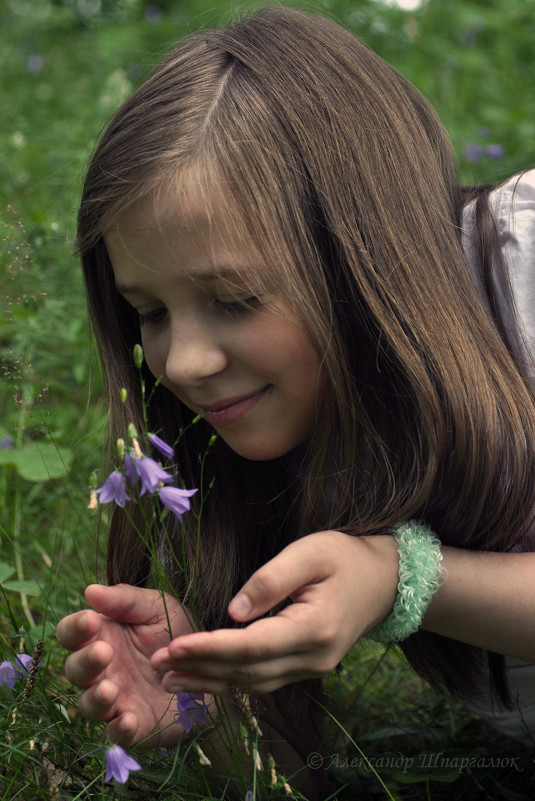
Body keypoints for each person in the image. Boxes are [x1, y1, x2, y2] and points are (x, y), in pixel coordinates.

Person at [56, 5, 535, 797]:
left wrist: (401, 576)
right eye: (150, 311)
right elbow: (308, 774)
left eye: (235, 298)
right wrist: (211, 690)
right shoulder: (286, 437)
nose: (183, 360)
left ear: (361, 255)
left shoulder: (520, 282)